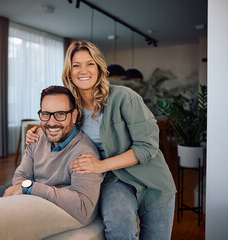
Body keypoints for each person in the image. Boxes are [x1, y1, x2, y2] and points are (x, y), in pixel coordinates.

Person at [26, 41, 176, 240]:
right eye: (76, 65)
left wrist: (100, 165)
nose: (83, 70)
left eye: (90, 64)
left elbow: (147, 147)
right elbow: (58, 123)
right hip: (113, 181)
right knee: (119, 228)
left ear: (99, 68)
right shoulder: (72, 105)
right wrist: (38, 132)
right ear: (69, 71)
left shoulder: (125, 98)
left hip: (152, 181)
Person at [0, 85, 103, 226]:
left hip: (50, 205)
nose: (51, 122)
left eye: (60, 114)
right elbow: (20, 175)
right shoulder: (36, 137)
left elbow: (84, 210)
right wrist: (26, 189)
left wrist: (31, 188)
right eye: (45, 114)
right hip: (30, 194)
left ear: (73, 116)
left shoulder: (84, 153)